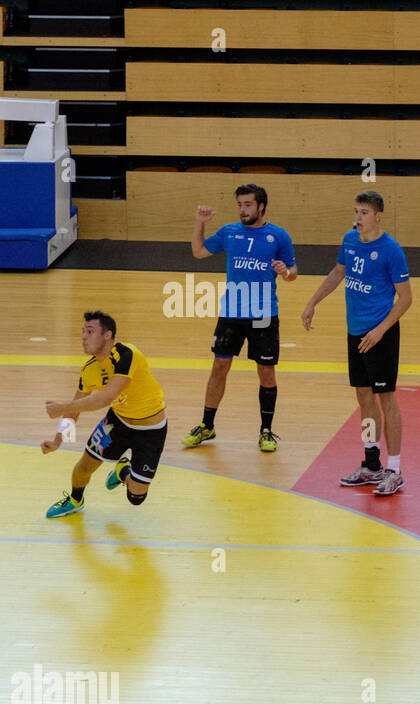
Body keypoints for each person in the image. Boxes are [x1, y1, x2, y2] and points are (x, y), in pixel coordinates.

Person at [301, 190, 412, 496]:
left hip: (382, 334)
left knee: (386, 398)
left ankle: (395, 470)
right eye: (356, 212)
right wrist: (312, 302)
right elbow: (338, 273)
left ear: (378, 216)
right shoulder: (350, 241)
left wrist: (380, 330)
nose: (357, 218)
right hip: (355, 332)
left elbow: (406, 299)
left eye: (363, 213)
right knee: (363, 397)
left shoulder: (391, 251)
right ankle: (372, 464)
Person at [183, 184, 297, 452]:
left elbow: (293, 272)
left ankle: (266, 431)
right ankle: (207, 425)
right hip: (231, 313)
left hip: (263, 314)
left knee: (266, 371)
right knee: (219, 367)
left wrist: (285, 272)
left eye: (248, 205)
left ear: (261, 207)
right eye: (239, 205)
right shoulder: (229, 232)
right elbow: (198, 252)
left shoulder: (278, 236)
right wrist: (199, 224)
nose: (243, 210)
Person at [42, 311, 168, 517]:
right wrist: (57, 441)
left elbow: (105, 398)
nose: (83, 336)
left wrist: (62, 407)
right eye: (82, 332)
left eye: (90, 331)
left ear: (107, 335)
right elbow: (74, 410)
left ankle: (122, 472)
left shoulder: (127, 354)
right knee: (84, 467)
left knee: (136, 497)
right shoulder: (89, 370)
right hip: (117, 423)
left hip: (150, 430)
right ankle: (75, 499)